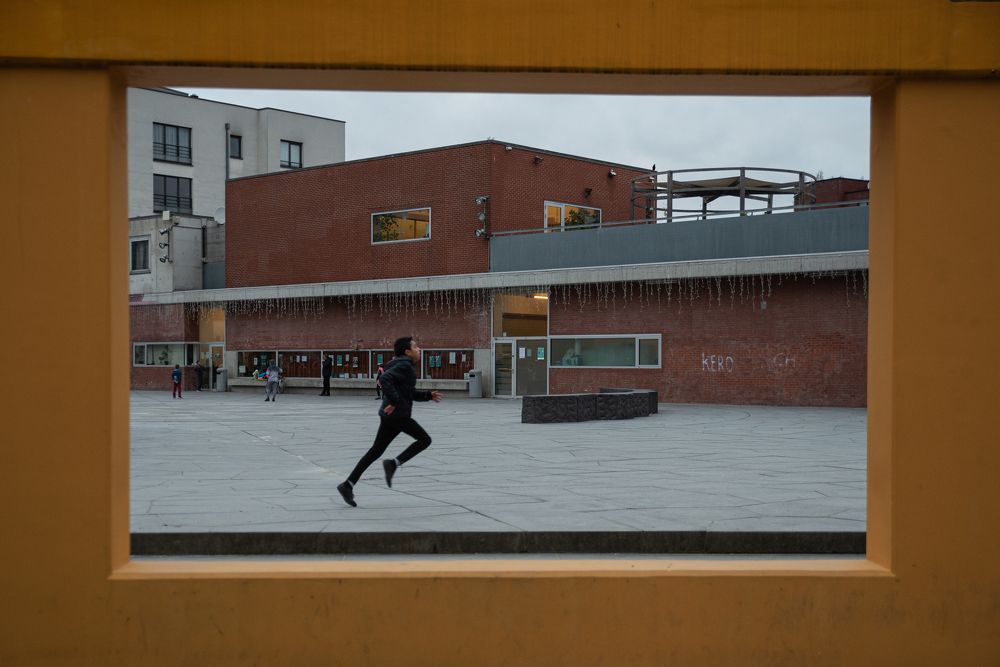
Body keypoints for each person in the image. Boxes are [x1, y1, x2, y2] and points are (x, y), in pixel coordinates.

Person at [337, 336, 442, 507]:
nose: (419, 349)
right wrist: (393, 402)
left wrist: (428, 396)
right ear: (407, 352)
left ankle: (347, 485)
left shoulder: (399, 364)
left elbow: (407, 392)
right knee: (424, 440)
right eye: (416, 347)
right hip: (397, 415)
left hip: (390, 415)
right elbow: (384, 380)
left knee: (375, 451)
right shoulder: (404, 366)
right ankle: (393, 464)